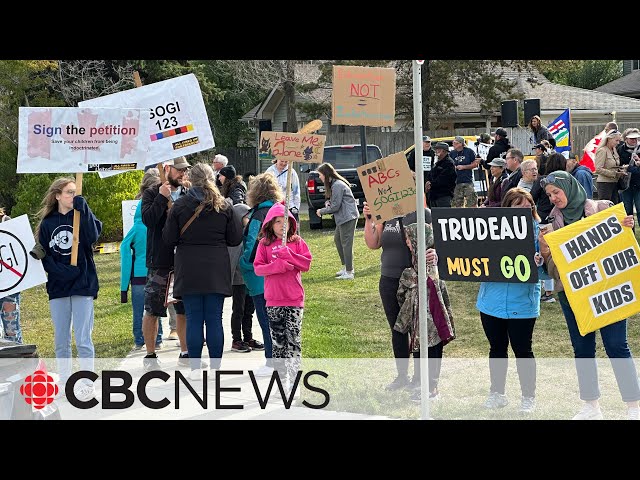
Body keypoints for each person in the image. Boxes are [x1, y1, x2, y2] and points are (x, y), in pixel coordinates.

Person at [539, 171, 640, 420]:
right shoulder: (550, 223)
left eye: (556, 192)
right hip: (572, 297)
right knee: (582, 348)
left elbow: (622, 246)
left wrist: (629, 226)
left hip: (608, 291)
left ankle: (634, 405)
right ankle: (591, 406)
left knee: (616, 345)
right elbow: (550, 270)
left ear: (570, 187)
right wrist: (545, 254)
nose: (553, 198)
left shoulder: (603, 208)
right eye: (549, 194)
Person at [163, 163, 243, 380]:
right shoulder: (224, 205)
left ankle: (196, 369)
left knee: (194, 318)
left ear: (191, 178)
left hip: (188, 266)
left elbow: (168, 239)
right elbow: (235, 238)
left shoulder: (180, 205)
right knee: (214, 319)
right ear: (214, 178)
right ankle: (216, 368)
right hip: (216, 265)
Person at [476, 188, 544, 414]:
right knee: (497, 348)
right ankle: (497, 393)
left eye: (529, 207)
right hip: (491, 301)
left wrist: (539, 261)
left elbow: (547, 270)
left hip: (522, 303)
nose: (525, 211)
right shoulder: (489, 230)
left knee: (523, 350)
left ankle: (528, 397)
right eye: (519, 207)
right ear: (507, 209)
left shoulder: (539, 233)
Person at [36, 177, 102, 401]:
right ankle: (64, 381)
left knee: (83, 338)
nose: (72, 197)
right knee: (61, 339)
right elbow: (43, 255)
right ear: (57, 196)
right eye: (68, 193)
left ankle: (86, 382)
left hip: (82, 284)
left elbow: (92, 237)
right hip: (59, 286)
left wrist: (85, 210)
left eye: (75, 192)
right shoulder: (47, 223)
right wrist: (61, 272)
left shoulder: (81, 215)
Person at [363, 201, 434, 391]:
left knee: (417, 330)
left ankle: (419, 378)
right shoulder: (386, 213)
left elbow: (434, 244)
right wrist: (369, 218)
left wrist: (433, 254)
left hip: (412, 279)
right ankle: (402, 376)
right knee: (397, 329)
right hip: (388, 279)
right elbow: (373, 243)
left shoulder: (422, 213)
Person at [141, 156, 195, 371]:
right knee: (152, 310)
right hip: (160, 262)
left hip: (183, 260)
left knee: (183, 309)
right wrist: (162, 199)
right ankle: (150, 355)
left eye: (184, 170)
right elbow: (148, 220)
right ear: (167, 169)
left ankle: (185, 352)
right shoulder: (153, 192)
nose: (182, 173)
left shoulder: (189, 193)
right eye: (179, 170)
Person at [253, 202, 312, 394]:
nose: (282, 225)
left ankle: (295, 383)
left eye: (285, 220)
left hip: (294, 300)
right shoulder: (264, 244)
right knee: (278, 343)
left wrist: (291, 256)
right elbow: (258, 268)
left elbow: (306, 263)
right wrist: (278, 266)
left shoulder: (297, 242)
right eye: (277, 221)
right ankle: (280, 383)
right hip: (274, 301)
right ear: (270, 223)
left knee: (293, 341)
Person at [395, 222, 454, 403]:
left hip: (432, 320)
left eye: (409, 239)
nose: (407, 243)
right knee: (420, 351)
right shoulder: (413, 263)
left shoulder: (432, 264)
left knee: (433, 349)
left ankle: (432, 388)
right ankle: (422, 385)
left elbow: (436, 286)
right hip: (417, 320)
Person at [239, 173, 285, 376]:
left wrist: (243, 264)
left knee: (266, 320)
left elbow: (252, 245)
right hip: (280, 273)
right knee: (279, 319)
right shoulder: (280, 211)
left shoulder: (259, 215)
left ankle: (272, 361)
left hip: (260, 276)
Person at [120, 169, 163, 351]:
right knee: (155, 310)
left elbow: (124, 251)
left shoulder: (136, 228)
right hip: (156, 272)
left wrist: (124, 287)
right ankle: (158, 339)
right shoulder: (160, 226)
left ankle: (139, 340)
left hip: (137, 276)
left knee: (139, 311)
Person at [315, 163, 359, 280]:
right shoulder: (334, 184)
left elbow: (335, 206)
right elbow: (334, 202)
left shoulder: (337, 185)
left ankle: (349, 272)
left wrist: (321, 211)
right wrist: (327, 203)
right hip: (343, 217)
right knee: (338, 240)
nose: (319, 177)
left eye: (320, 175)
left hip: (348, 217)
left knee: (346, 244)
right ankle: (346, 267)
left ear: (326, 174)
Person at [228, 203, 262, 353]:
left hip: (250, 278)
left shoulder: (249, 234)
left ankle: (248, 337)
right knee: (238, 309)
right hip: (238, 280)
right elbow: (232, 260)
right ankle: (236, 339)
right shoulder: (233, 236)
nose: (248, 219)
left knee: (249, 309)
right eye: (245, 216)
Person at [0, 210, 21, 344]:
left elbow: (19, 250)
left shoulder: (6, 222)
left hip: (9, 286)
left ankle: (17, 364)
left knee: (12, 331)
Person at [265, 157, 301, 225]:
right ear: (277, 159)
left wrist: (296, 207)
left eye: (286, 162)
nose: (284, 163)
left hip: (289, 206)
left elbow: (296, 190)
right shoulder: (269, 171)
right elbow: (265, 189)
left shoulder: (291, 172)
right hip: (274, 205)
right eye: (282, 161)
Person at [617, 128, 640, 228]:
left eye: (636, 138)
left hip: (639, 185)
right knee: (627, 211)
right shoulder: (620, 149)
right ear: (626, 138)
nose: (634, 140)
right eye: (631, 138)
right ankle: (631, 235)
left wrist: (630, 168)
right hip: (625, 185)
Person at [594, 129, 623, 203]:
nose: (618, 143)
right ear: (609, 139)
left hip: (614, 183)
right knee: (605, 207)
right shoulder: (602, 151)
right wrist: (614, 174)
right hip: (604, 184)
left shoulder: (614, 150)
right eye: (616, 140)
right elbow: (598, 169)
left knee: (614, 206)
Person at [451, 136, 479, 208]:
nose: (453, 144)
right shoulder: (452, 153)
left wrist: (464, 167)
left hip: (467, 180)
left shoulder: (469, 151)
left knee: (471, 202)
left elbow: (475, 164)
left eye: (455, 143)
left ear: (461, 144)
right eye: (453, 143)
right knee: (456, 203)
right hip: (456, 181)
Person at [425, 142, 456, 207]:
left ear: (443, 151)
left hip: (444, 196)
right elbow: (430, 174)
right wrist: (427, 182)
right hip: (434, 196)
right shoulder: (437, 162)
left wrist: (431, 184)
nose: (436, 151)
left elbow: (444, 179)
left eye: (438, 149)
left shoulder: (449, 163)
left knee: (443, 215)